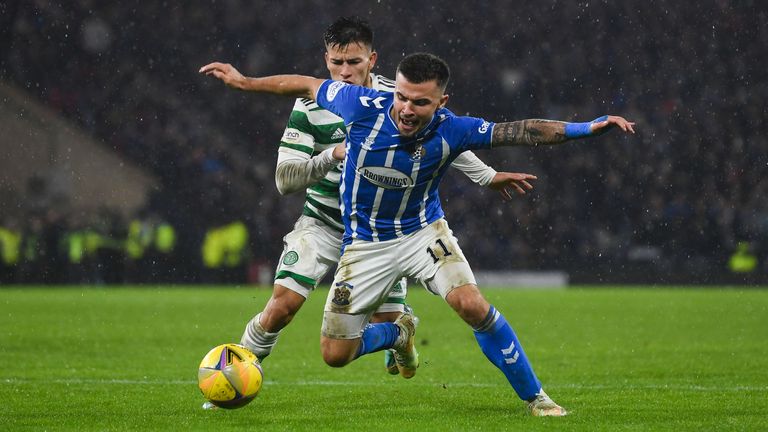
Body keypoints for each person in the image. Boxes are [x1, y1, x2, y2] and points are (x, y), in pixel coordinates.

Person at [200, 51, 635, 417]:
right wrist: (244, 82)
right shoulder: (358, 105)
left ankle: (536, 397)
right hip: (364, 246)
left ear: (441, 102)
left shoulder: (453, 128)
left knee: (471, 305)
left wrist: (587, 128)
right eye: (402, 98)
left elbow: (519, 130)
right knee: (335, 355)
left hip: (422, 234)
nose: (407, 109)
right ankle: (398, 332)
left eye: (421, 103)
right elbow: (305, 84)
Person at [234, 17, 536, 376]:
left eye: (354, 62)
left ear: (372, 60)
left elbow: (446, 136)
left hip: (381, 231)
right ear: (326, 59)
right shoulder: (309, 106)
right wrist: (331, 155)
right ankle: (234, 373)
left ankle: (398, 333)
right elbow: (285, 181)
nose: (344, 72)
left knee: (390, 339)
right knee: (281, 308)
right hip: (325, 223)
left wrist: (487, 177)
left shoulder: (398, 97)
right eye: (336, 62)